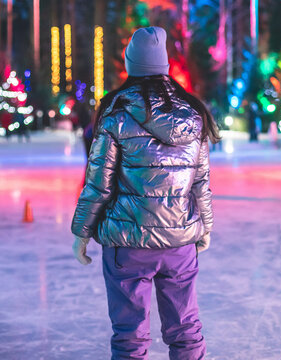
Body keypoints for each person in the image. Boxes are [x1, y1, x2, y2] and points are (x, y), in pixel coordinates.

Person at [71, 26, 220, 360]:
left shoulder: (115, 114)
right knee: (185, 331)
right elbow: (201, 183)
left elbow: (98, 184)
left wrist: (81, 232)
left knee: (130, 338)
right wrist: (205, 227)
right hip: (179, 243)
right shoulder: (192, 115)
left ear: (131, 65)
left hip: (128, 243)